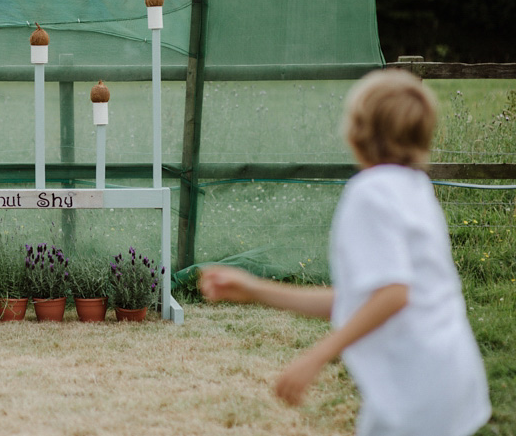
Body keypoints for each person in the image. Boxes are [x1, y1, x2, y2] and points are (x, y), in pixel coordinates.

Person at [200, 68, 490, 436]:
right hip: (451, 376)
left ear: (357, 131)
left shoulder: (370, 193)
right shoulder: (415, 188)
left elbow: (393, 295)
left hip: (414, 390)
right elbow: (364, 300)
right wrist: (255, 290)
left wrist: (316, 356)